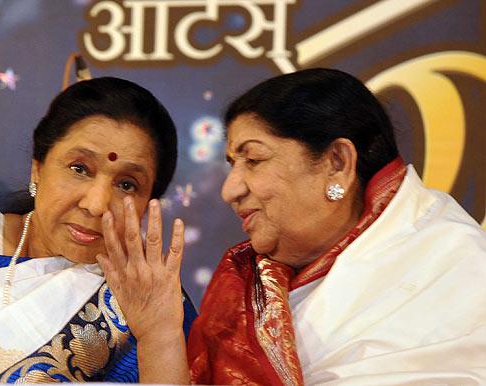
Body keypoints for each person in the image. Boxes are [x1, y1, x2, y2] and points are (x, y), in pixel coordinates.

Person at [99, 68, 486, 385]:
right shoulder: (251, 289)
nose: (230, 189)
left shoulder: (456, 270)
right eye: (233, 164)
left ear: (337, 162)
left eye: (253, 159)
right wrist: (160, 335)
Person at [0, 77, 197, 383]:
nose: (96, 204)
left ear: (147, 204)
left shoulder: (152, 302)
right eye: (79, 169)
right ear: (38, 168)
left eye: (127, 185)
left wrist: (158, 338)